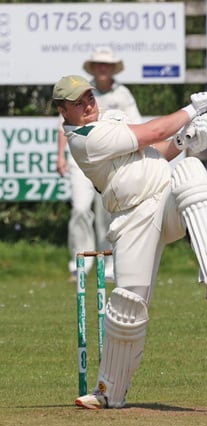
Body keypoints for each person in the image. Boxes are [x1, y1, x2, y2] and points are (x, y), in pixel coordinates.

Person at [52, 74, 207, 409]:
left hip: (165, 199)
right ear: (62, 111)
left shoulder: (110, 118)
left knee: (191, 170)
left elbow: (157, 150)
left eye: (89, 97)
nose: (87, 105)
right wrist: (193, 110)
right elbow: (154, 132)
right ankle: (108, 391)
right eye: (77, 103)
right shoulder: (83, 139)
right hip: (132, 220)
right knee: (127, 307)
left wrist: (186, 138)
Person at [56, 47, 142, 282]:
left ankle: (110, 264)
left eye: (107, 64)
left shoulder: (122, 94)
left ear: (113, 68)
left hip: (109, 161)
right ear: (93, 67)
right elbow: (62, 126)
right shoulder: (80, 91)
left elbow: (135, 124)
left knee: (108, 212)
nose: (103, 68)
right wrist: (60, 156)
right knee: (80, 209)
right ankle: (79, 264)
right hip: (80, 159)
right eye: (99, 64)